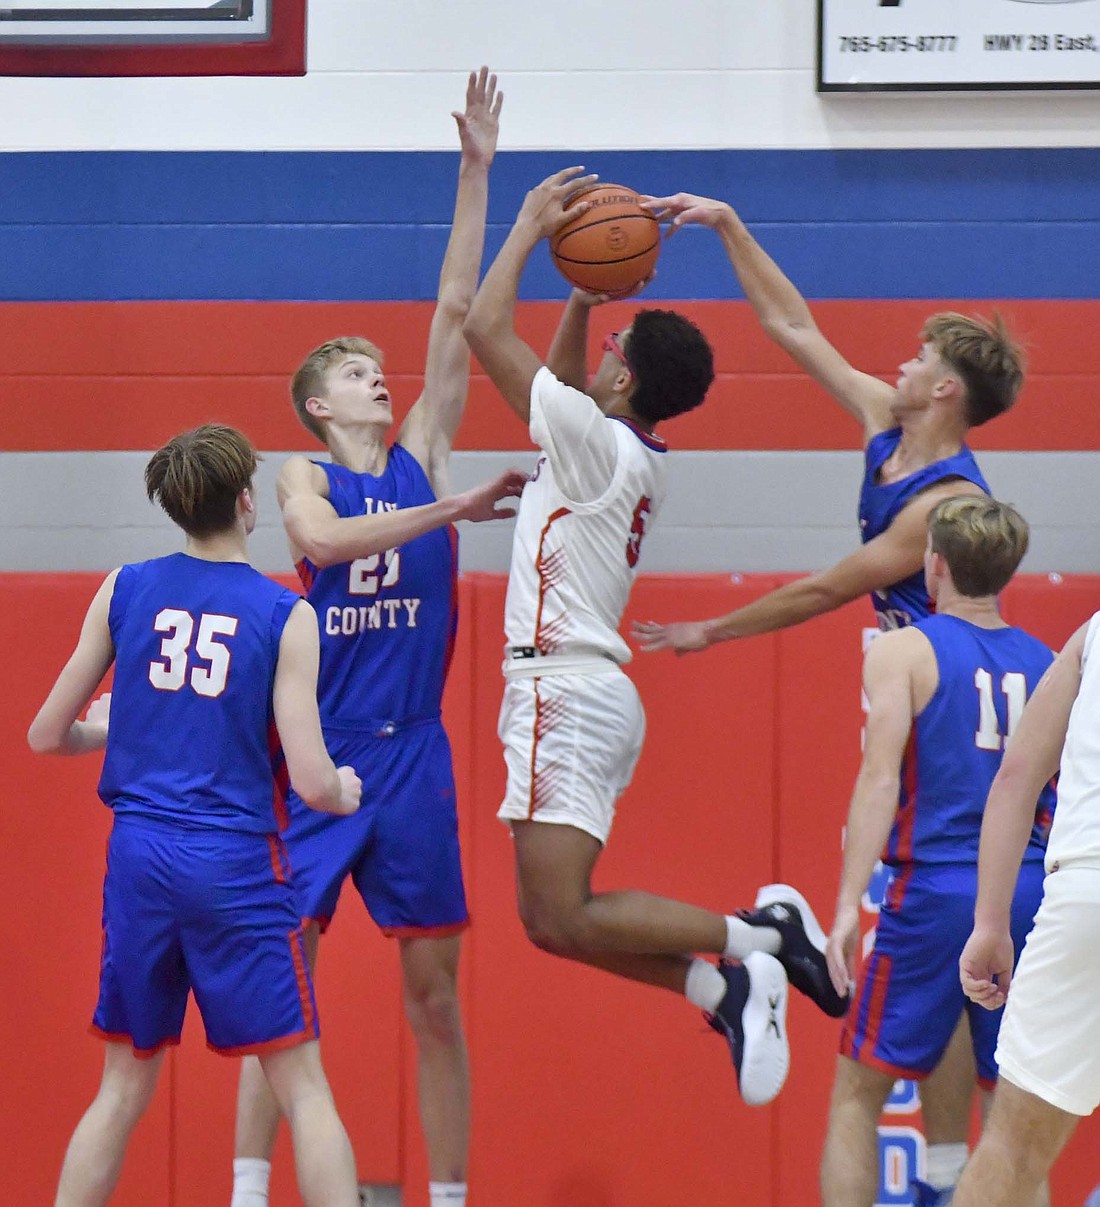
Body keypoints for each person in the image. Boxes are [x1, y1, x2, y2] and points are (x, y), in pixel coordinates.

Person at [631, 190, 1026, 1201]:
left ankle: (943, 1172)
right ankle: (942, 1177)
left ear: (942, 388)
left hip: (934, 706)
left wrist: (705, 630)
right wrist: (726, 227)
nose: (891, 365)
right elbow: (790, 323)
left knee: (900, 981)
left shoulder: (940, 506)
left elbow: (824, 589)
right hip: (935, 690)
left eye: (909, 359)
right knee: (945, 1008)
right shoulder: (885, 425)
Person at [462, 165, 850, 1111]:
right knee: (552, 923)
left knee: (558, 913)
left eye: (612, 347)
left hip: (566, 687)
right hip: (580, 690)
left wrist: (525, 229)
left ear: (625, 373)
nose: (596, 359)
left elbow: (480, 329)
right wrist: (585, 299)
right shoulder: (622, 447)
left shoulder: (598, 447)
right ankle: (723, 984)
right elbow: (558, 384)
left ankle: (763, 940)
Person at [230, 68, 523, 1207]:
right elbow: (318, 539)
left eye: (374, 370)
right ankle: (252, 1190)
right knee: (282, 977)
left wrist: (476, 169)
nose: (378, 377)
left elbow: (454, 306)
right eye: (357, 374)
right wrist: (449, 514)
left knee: (435, 995)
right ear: (319, 404)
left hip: (410, 752)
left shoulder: (424, 449)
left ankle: (447, 1197)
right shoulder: (302, 471)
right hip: (318, 744)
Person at [27, 424, 364, 1207]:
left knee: (120, 1087)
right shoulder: (286, 613)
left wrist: (105, 729)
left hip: (139, 858)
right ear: (248, 502)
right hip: (234, 861)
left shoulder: (124, 586)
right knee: (303, 1086)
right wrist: (344, 790)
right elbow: (313, 783)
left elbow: (47, 734)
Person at [818, 495, 1055, 1207]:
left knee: (859, 1088)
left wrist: (843, 907)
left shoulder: (905, 649)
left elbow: (880, 777)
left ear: (936, 564)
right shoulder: (1049, 662)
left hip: (937, 888)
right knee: (1017, 1112)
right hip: (1030, 888)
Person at [953, 608, 1100, 1207]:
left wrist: (990, 923)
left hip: (1085, 895)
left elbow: (1016, 776)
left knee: (1013, 1150)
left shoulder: (1093, 630)